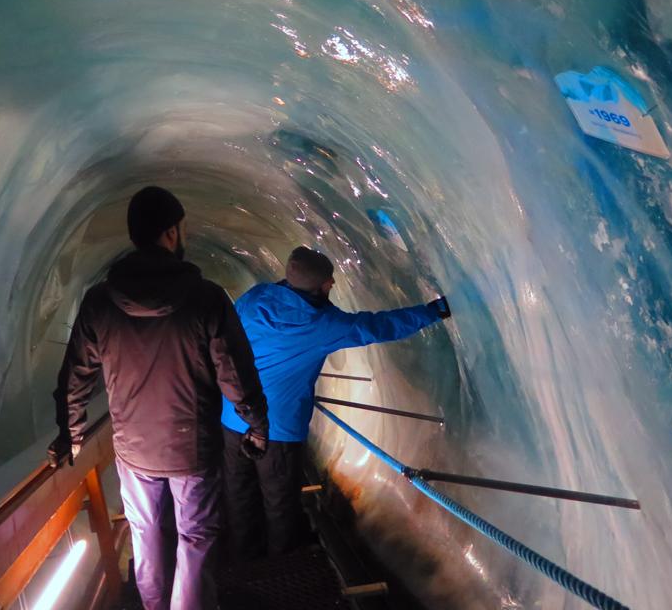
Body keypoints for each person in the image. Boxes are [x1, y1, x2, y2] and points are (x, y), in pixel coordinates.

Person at [49, 186, 270, 610]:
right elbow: (236, 374)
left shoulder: (99, 302)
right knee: (196, 538)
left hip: (134, 451)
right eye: (181, 229)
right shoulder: (208, 299)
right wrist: (257, 426)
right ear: (170, 233)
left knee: (145, 533)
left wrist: (71, 434)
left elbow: (75, 375)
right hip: (193, 449)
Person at [219, 245, 451, 558]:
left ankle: (246, 556)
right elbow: (377, 326)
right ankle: (281, 558)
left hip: (234, 416)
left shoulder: (254, 298)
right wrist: (433, 311)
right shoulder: (322, 324)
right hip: (280, 429)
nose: (332, 285)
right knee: (278, 500)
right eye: (329, 280)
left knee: (238, 491)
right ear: (318, 285)